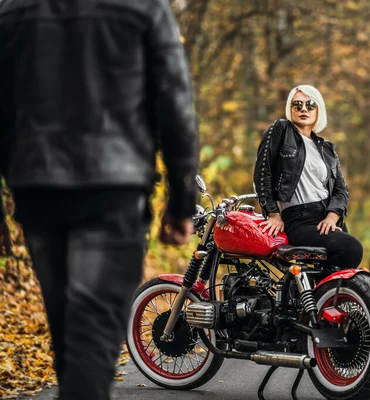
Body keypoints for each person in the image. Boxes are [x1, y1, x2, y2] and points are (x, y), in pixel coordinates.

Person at [0, 1, 198, 399]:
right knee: (89, 340)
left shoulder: (13, 8)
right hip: (114, 190)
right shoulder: (143, 6)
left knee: (69, 340)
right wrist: (181, 203)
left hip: (37, 188)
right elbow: (174, 104)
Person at [253, 85, 363, 269]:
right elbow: (262, 171)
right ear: (290, 109)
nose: (304, 109)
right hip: (299, 220)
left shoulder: (327, 148)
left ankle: (314, 296)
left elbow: (341, 190)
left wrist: (331, 217)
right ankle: (315, 295)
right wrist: (273, 213)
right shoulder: (281, 130)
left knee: (342, 269)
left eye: (310, 104)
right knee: (352, 248)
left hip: (327, 221)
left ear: (318, 109)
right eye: (297, 105)